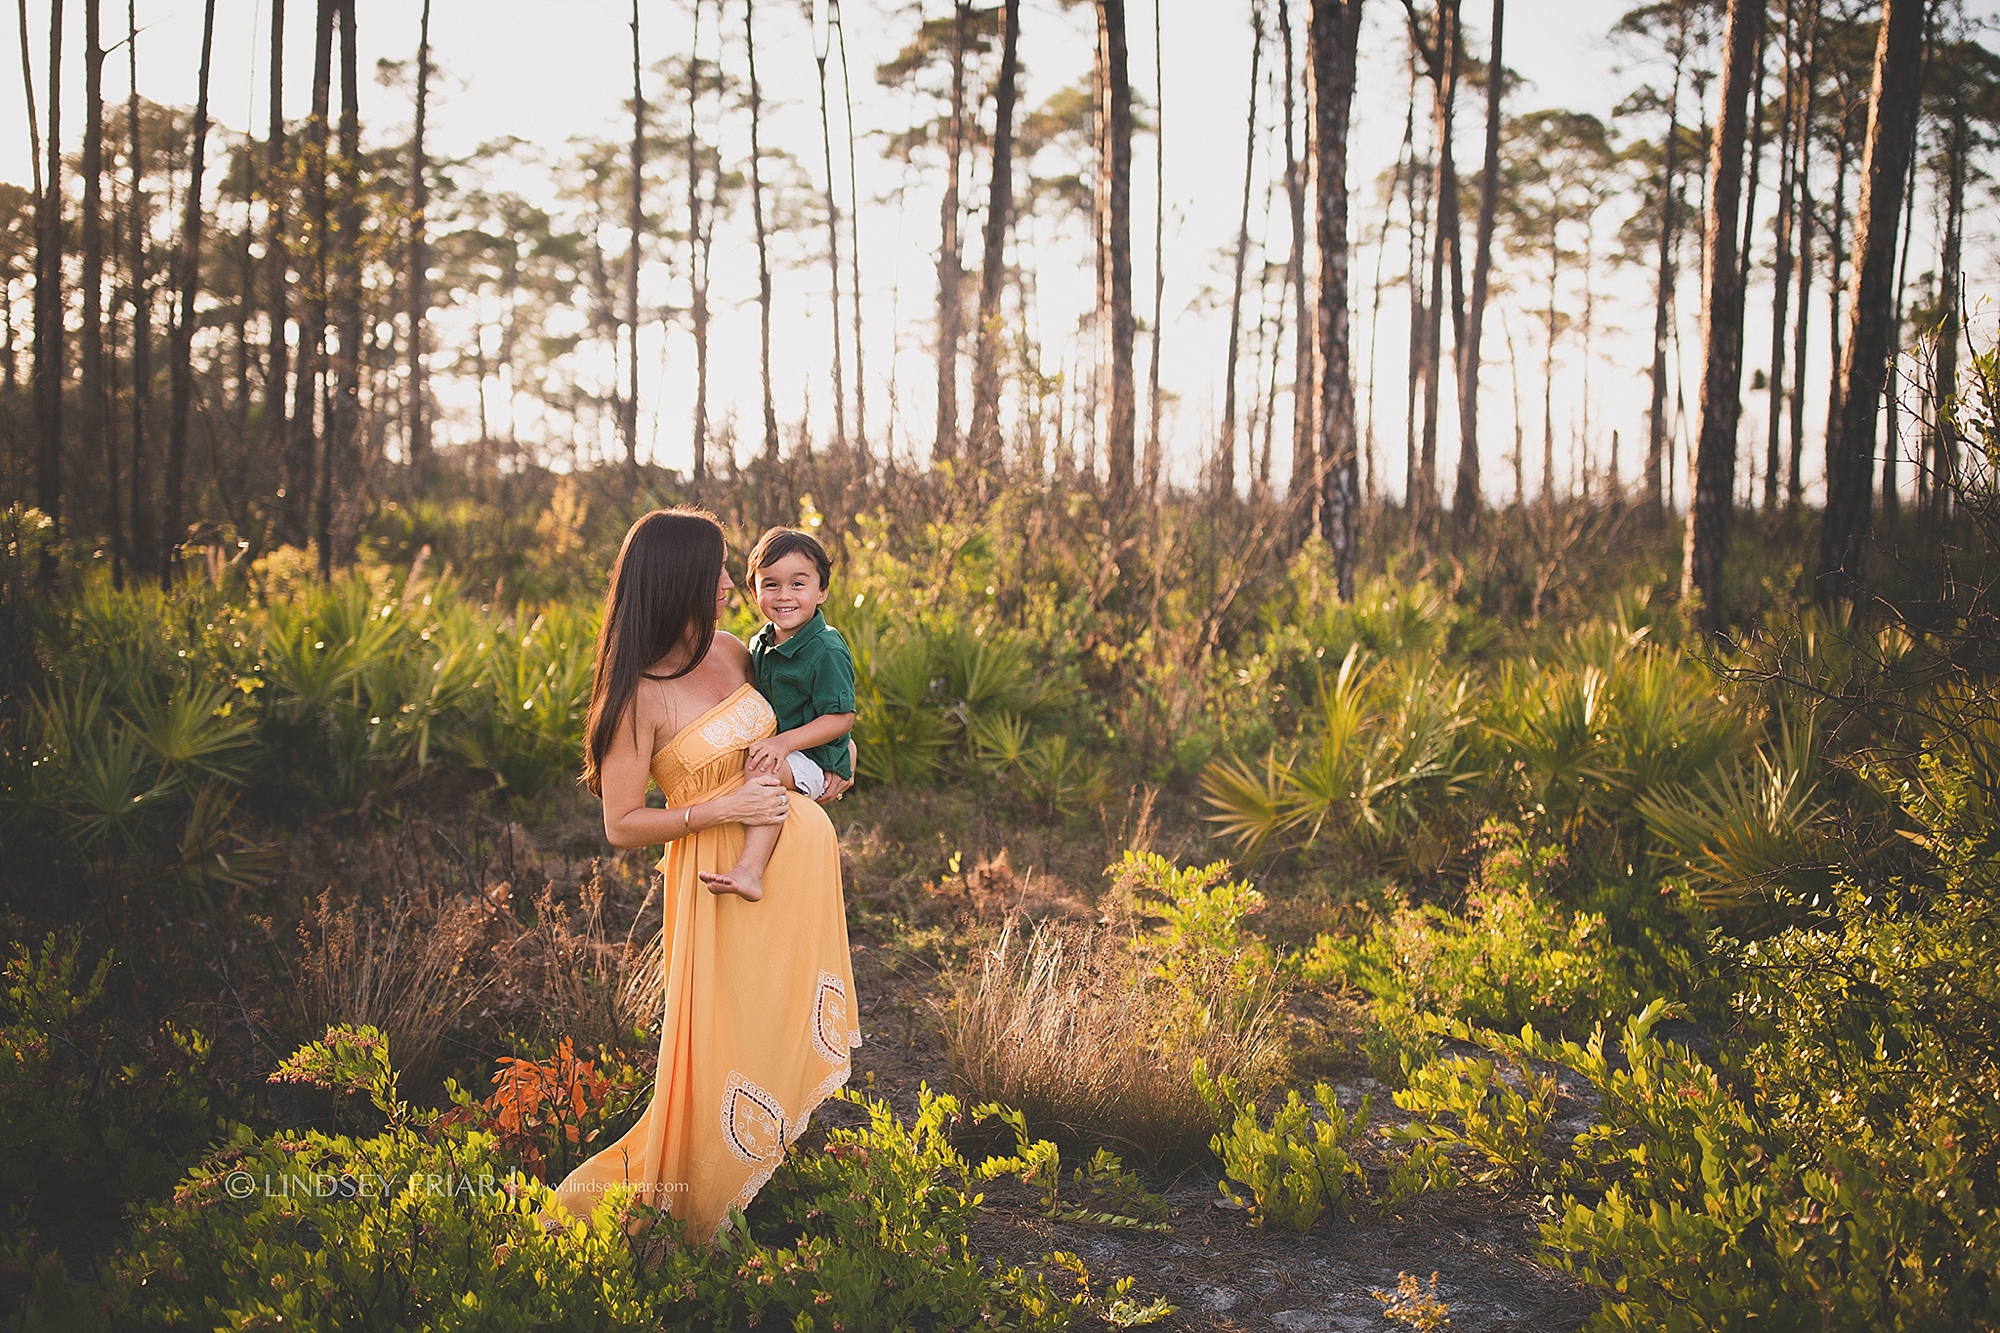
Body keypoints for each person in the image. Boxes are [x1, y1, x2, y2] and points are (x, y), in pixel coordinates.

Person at [547, 507, 862, 1246]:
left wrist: (830, 774)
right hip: (719, 876)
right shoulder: (636, 696)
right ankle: (695, 1214)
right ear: (676, 580)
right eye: (717, 572)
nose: (730, 585)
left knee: (773, 1026)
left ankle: (765, 1191)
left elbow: (808, 716)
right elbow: (622, 823)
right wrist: (719, 806)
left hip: (794, 877)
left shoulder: (736, 650)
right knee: (727, 1036)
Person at [698, 528, 856, 902]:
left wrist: (783, 744)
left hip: (817, 760)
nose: (784, 596)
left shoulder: (826, 649)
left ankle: (750, 869)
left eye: (798, 584)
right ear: (754, 592)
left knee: (760, 768)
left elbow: (841, 718)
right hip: (790, 752)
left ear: (822, 591)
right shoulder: (761, 643)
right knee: (760, 762)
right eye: (770, 584)